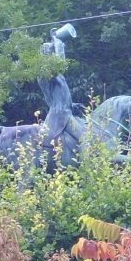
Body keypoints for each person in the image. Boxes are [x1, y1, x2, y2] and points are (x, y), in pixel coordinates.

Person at [38, 25, 82, 168]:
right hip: (60, 115)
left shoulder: (57, 74)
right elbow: (60, 64)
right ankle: (87, 162)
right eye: (50, 50)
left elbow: (62, 96)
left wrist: (73, 105)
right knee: (85, 137)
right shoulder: (47, 74)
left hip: (66, 111)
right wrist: (58, 44)